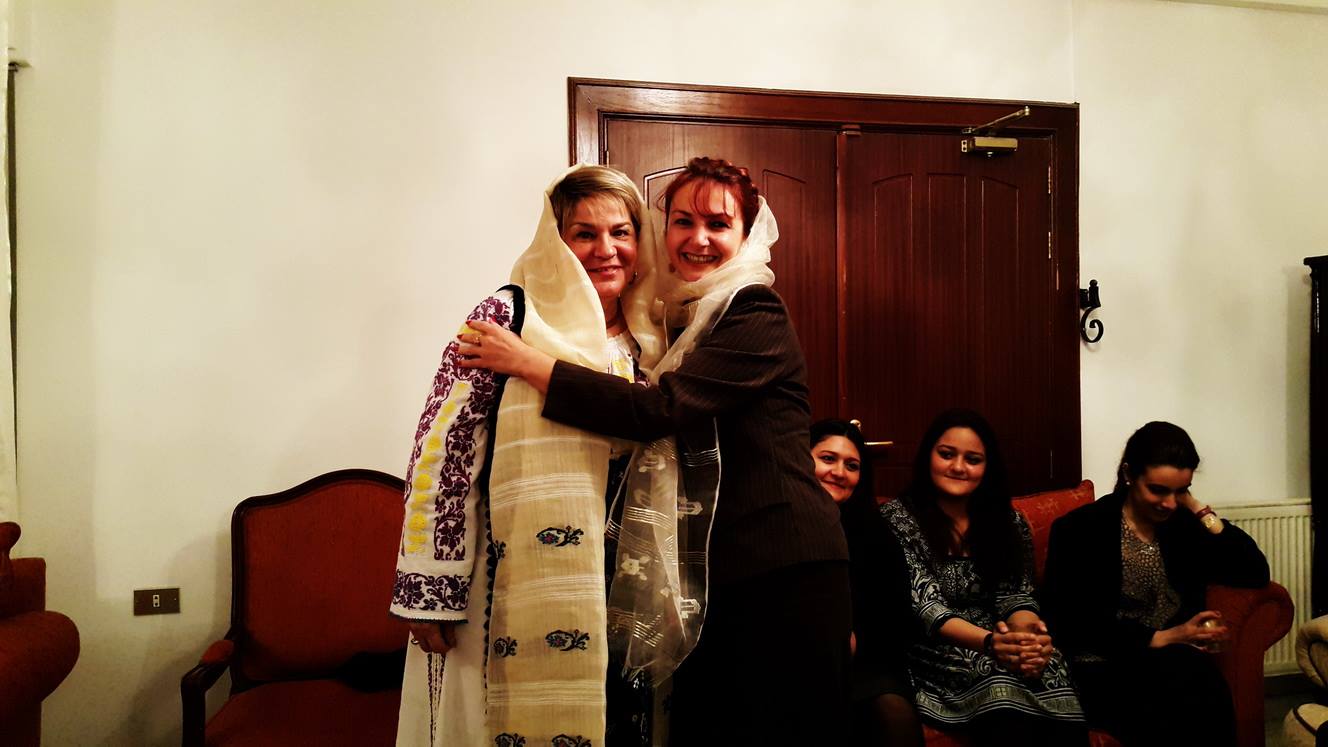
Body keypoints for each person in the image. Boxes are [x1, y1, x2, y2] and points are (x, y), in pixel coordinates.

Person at [460, 156, 852, 744]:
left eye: (718, 225)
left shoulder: (754, 310)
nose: (698, 239)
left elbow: (657, 410)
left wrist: (532, 363)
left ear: (746, 236)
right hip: (725, 568)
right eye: (683, 221)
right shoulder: (674, 319)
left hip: (781, 563)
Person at [389, 164, 664, 746]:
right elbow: (445, 448)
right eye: (584, 234)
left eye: (621, 232)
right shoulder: (509, 316)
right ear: (555, 241)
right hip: (508, 573)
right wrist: (432, 591)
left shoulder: (654, 333)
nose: (606, 250)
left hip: (622, 578)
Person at [1040, 421, 1270, 747]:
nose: (1170, 503)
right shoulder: (1081, 529)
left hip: (1175, 662)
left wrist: (1200, 511)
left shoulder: (1183, 527)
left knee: (1199, 679)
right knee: (1177, 686)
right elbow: (1070, 622)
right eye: (1158, 490)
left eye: (1181, 491)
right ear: (1129, 474)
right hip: (1103, 665)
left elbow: (1254, 571)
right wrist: (1165, 637)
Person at [880, 409, 1087, 746]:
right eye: (947, 454)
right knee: (996, 682)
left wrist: (1028, 639)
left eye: (972, 459)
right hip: (935, 645)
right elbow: (927, 608)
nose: (958, 467)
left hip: (1001, 637)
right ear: (928, 456)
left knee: (1050, 668)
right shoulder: (897, 519)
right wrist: (993, 645)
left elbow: (1016, 595)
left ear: (987, 466)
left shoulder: (1008, 521)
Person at [810, 419, 924, 747]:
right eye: (827, 458)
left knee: (891, 711)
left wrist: (856, 641)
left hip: (865, 662)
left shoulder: (876, 532)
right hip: (794, 658)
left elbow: (897, 617)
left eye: (852, 465)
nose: (839, 472)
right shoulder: (776, 523)